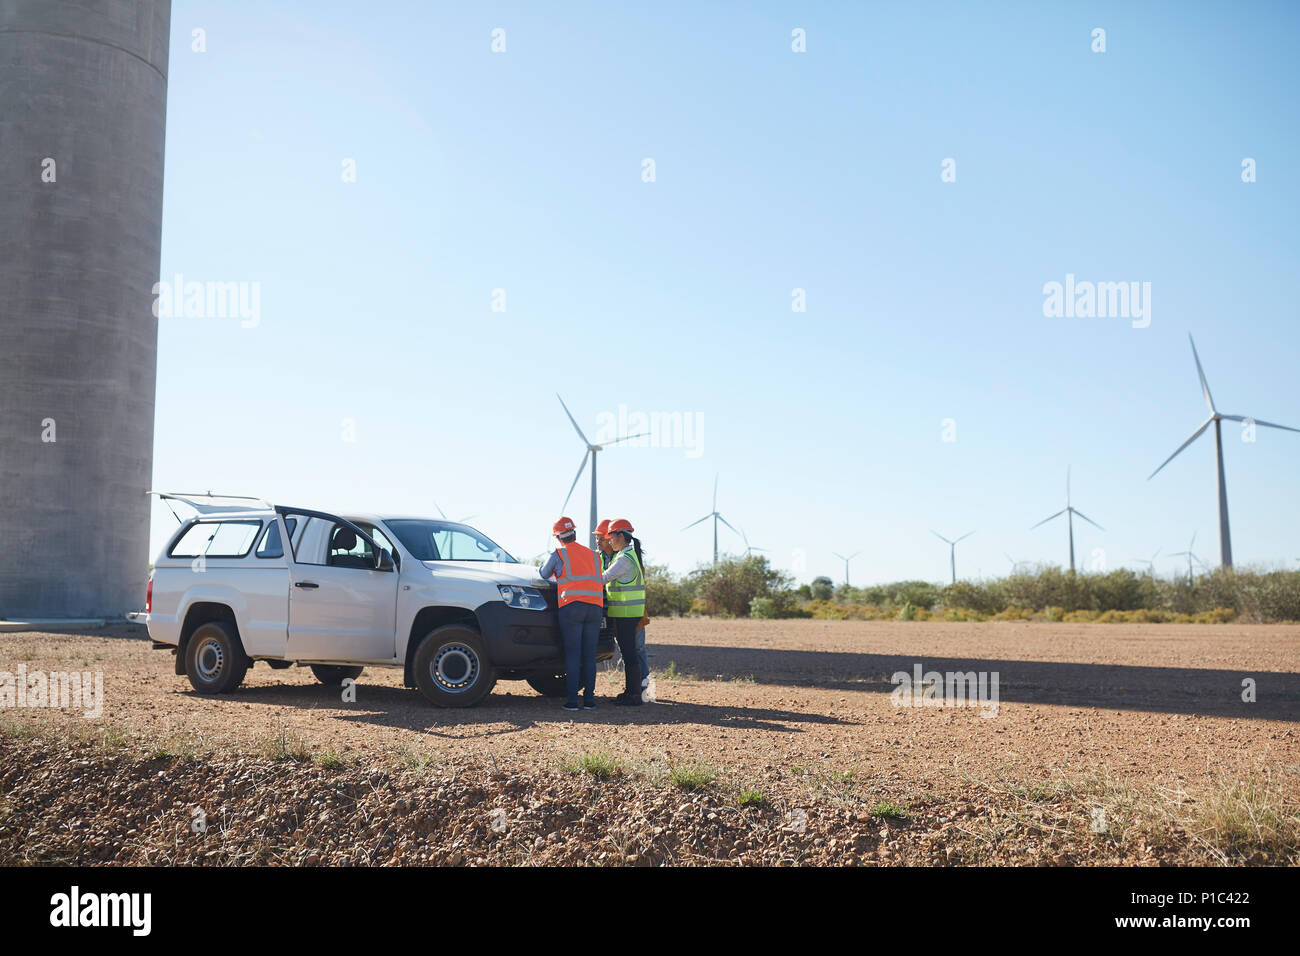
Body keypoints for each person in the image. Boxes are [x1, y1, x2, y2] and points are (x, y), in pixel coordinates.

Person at [538, 516, 604, 711]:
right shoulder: (593, 555)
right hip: (595, 607)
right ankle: (590, 701)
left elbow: (543, 573)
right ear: (574, 533)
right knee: (590, 655)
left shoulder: (559, 554)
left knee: (573, 655)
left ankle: (573, 701)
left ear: (558, 537)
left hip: (572, 607)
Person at [601, 519, 646, 706]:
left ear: (620, 536)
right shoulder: (628, 555)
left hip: (626, 613)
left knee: (629, 655)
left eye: (611, 537)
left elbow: (602, 579)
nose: (609, 541)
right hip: (627, 613)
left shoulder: (624, 559)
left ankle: (634, 695)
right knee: (629, 654)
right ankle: (631, 692)